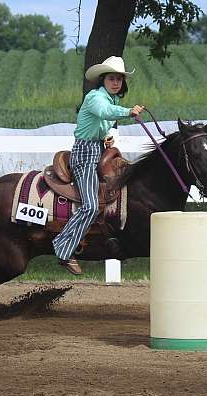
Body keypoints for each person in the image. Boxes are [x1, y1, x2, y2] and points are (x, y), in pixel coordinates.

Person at [52, 56, 145, 275]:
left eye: (119, 79)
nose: (116, 83)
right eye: (112, 78)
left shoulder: (111, 101)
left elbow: (102, 122)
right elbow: (104, 113)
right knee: (91, 205)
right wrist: (128, 111)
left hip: (98, 151)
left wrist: (105, 138)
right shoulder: (95, 97)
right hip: (84, 155)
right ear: (103, 79)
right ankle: (63, 249)